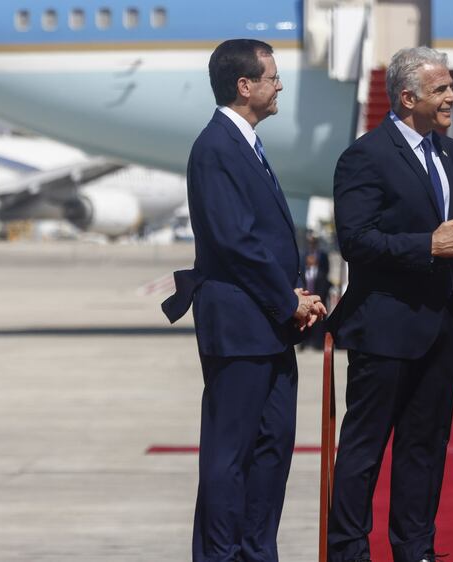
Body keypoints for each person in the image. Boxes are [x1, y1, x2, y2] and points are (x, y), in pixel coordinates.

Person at [161, 39, 326, 562]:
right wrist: (288, 298)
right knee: (229, 454)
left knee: (273, 446)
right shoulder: (215, 148)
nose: (279, 86)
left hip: (269, 323)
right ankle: (220, 553)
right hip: (239, 324)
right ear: (244, 86)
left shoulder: (247, 145)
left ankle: (257, 550)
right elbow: (235, 240)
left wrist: (291, 296)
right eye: (273, 77)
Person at [324, 46, 453, 562]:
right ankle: (350, 551)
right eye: (441, 89)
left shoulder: (451, 153)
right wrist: (425, 245)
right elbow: (355, 241)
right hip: (385, 326)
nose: (452, 97)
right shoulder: (365, 156)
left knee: (425, 447)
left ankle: (415, 549)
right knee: (364, 449)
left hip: (440, 324)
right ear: (406, 97)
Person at [300, 232, 333, 350]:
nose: (312, 243)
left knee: (319, 319)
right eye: (310, 241)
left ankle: (318, 342)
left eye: (314, 241)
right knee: (305, 316)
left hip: (319, 290)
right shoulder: (304, 255)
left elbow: (326, 271)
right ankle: (304, 342)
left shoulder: (322, 255)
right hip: (307, 289)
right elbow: (301, 270)